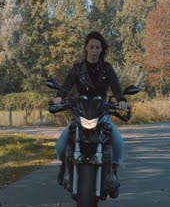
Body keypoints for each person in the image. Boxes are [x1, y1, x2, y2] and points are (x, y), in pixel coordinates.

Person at [53, 31, 128, 198]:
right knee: (60, 145)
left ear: (102, 50)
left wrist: (121, 100)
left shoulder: (107, 69)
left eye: (98, 47)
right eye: (91, 46)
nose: (94, 50)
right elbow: (66, 85)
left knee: (119, 144)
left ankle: (112, 175)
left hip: (102, 114)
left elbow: (116, 87)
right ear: (86, 47)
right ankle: (64, 168)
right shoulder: (77, 69)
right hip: (81, 114)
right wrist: (59, 97)